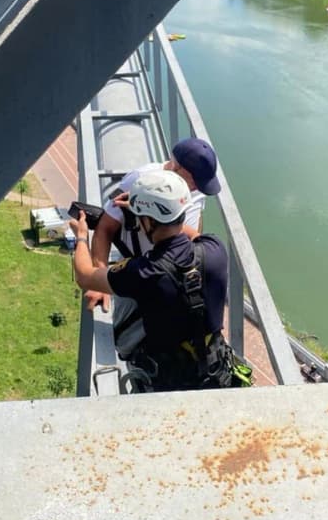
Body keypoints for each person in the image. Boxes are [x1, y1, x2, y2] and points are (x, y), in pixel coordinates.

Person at [70, 170, 233, 392]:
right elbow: (192, 235)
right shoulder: (215, 249)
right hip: (215, 374)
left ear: (147, 221)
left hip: (167, 385)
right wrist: (150, 210)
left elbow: (84, 275)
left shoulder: (143, 273)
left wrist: (80, 236)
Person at [85, 137, 221, 313]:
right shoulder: (140, 181)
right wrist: (99, 280)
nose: (198, 188)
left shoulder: (197, 190)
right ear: (176, 167)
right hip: (142, 272)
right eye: (195, 182)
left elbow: (196, 222)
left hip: (178, 276)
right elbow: (105, 228)